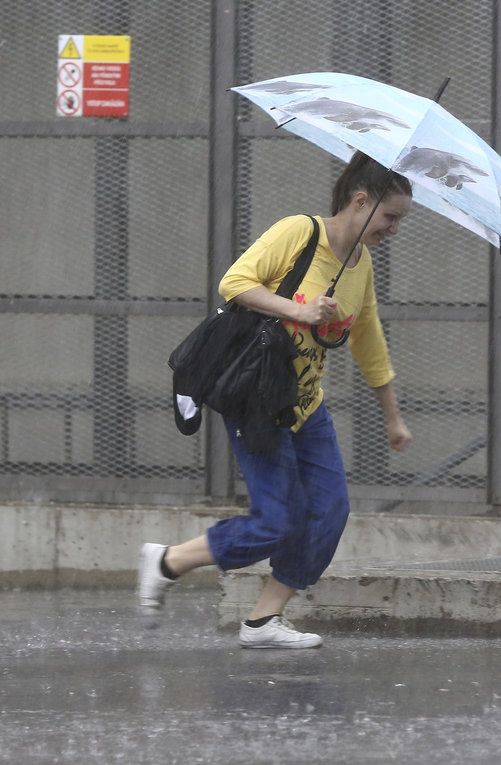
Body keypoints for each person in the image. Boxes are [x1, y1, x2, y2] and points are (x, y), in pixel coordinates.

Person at [138, 152, 413, 648]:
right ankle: (166, 562)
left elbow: (369, 341)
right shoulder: (299, 232)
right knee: (275, 521)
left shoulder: (361, 266)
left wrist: (392, 417)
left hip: (306, 404)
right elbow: (234, 283)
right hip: (257, 398)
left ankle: (263, 620)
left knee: (330, 511)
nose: (393, 229)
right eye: (390, 216)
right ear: (360, 201)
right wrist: (299, 310)